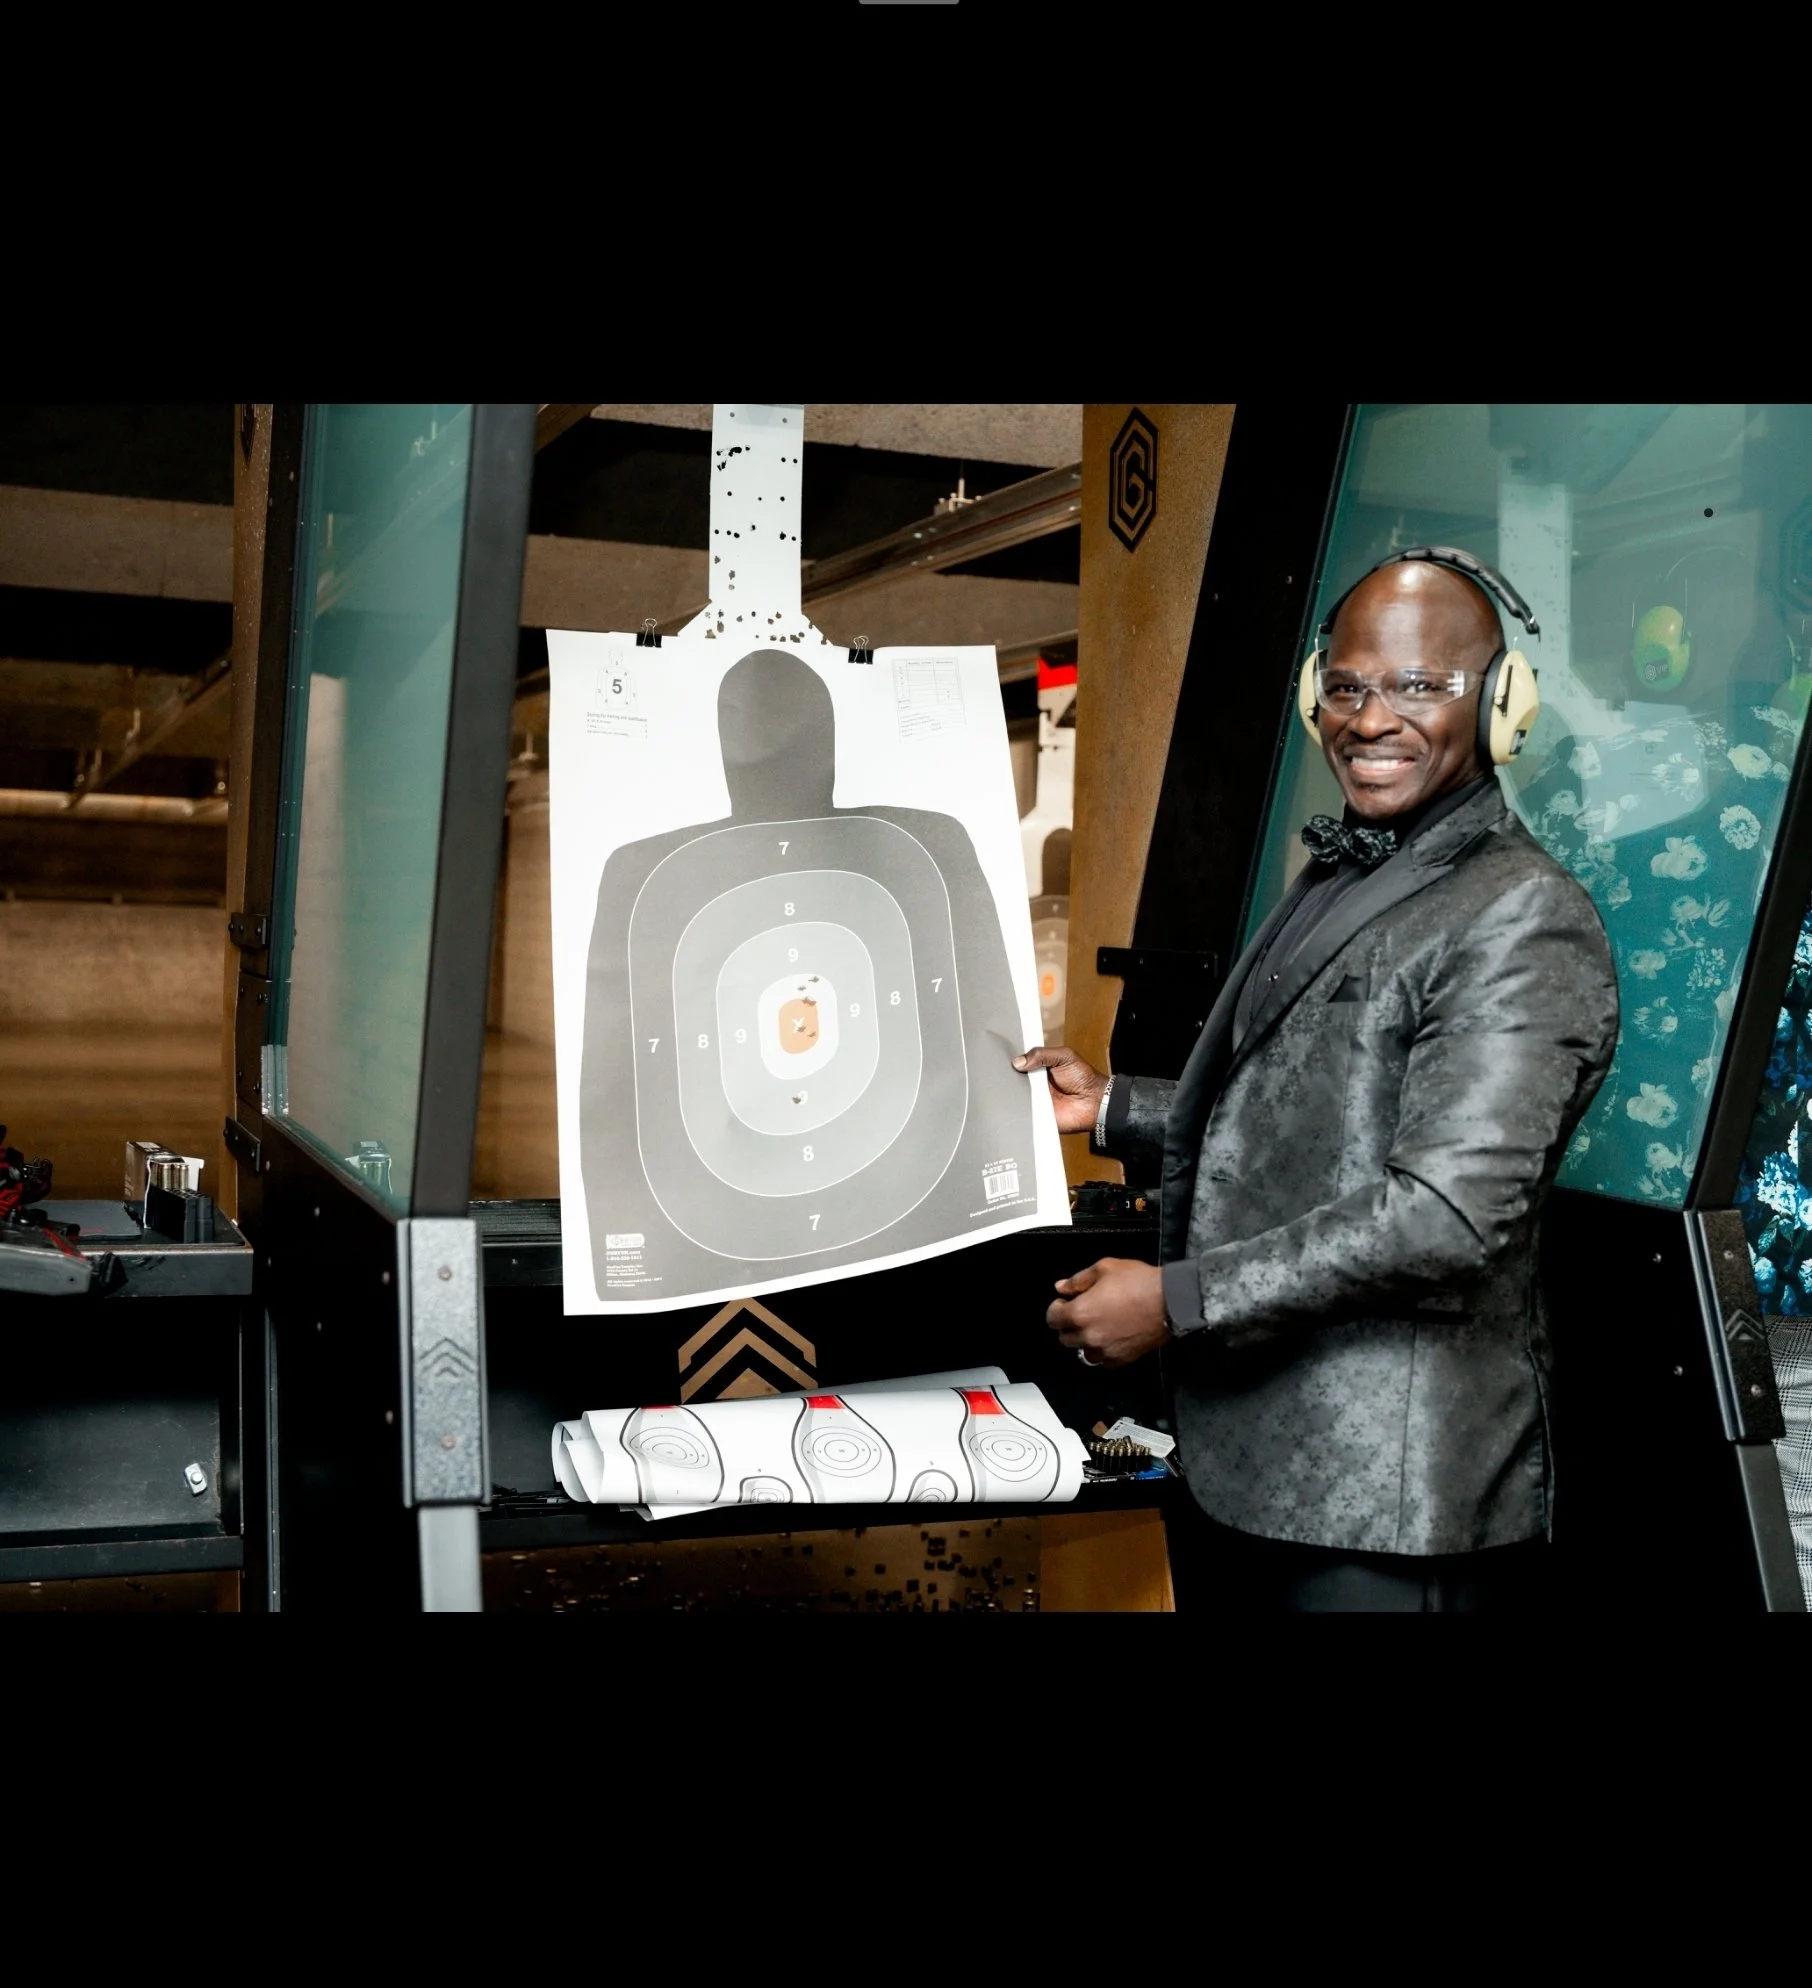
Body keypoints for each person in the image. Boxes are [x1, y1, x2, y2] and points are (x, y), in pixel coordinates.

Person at [1015, 549, 1621, 1613]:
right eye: (1346, 685)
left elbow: (1444, 1212)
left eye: (1420, 686)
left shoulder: (1521, 913)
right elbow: (1320, 1111)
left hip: (1384, 1507)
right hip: (1251, 1469)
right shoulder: (1354, 865)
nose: (1371, 718)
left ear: (1500, 705)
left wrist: (1178, 1300)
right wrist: (1111, 1106)